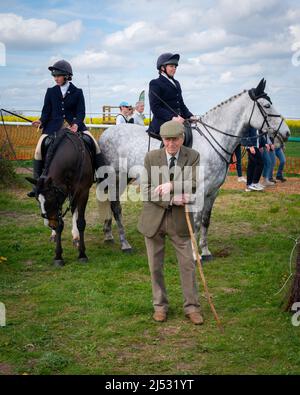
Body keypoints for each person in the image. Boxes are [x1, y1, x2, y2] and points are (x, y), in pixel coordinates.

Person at [138, 120, 203, 325]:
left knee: (188, 265)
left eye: (175, 139)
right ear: (162, 139)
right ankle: (160, 306)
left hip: (180, 221)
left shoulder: (192, 156)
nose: (171, 144)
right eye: (167, 139)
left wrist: (171, 184)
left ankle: (192, 307)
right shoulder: (151, 157)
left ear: (182, 138)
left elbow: (193, 184)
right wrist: (172, 198)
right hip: (153, 220)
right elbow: (146, 191)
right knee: (155, 266)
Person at [28, 60, 105, 197]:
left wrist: (75, 124)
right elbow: (46, 111)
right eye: (54, 76)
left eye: (58, 75)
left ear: (66, 76)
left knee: (94, 144)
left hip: (75, 125)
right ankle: (38, 184)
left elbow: (81, 112)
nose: (55, 78)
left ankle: (102, 178)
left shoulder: (77, 92)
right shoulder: (51, 91)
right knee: (38, 149)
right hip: (53, 127)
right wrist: (40, 121)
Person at [148, 53, 196, 140]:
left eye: (175, 66)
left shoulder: (176, 83)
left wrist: (190, 116)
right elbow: (155, 108)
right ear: (162, 68)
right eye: (171, 66)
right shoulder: (155, 83)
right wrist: (172, 118)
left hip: (179, 122)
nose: (174, 69)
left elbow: (181, 104)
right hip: (163, 123)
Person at [241, 126, 265, 192]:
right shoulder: (249, 123)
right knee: (260, 163)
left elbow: (259, 135)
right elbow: (245, 134)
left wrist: (261, 145)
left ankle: (249, 185)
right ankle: (255, 183)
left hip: (255, 146)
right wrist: (250, 146)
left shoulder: (256, 124)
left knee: (251, 165)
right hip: (251, 147)